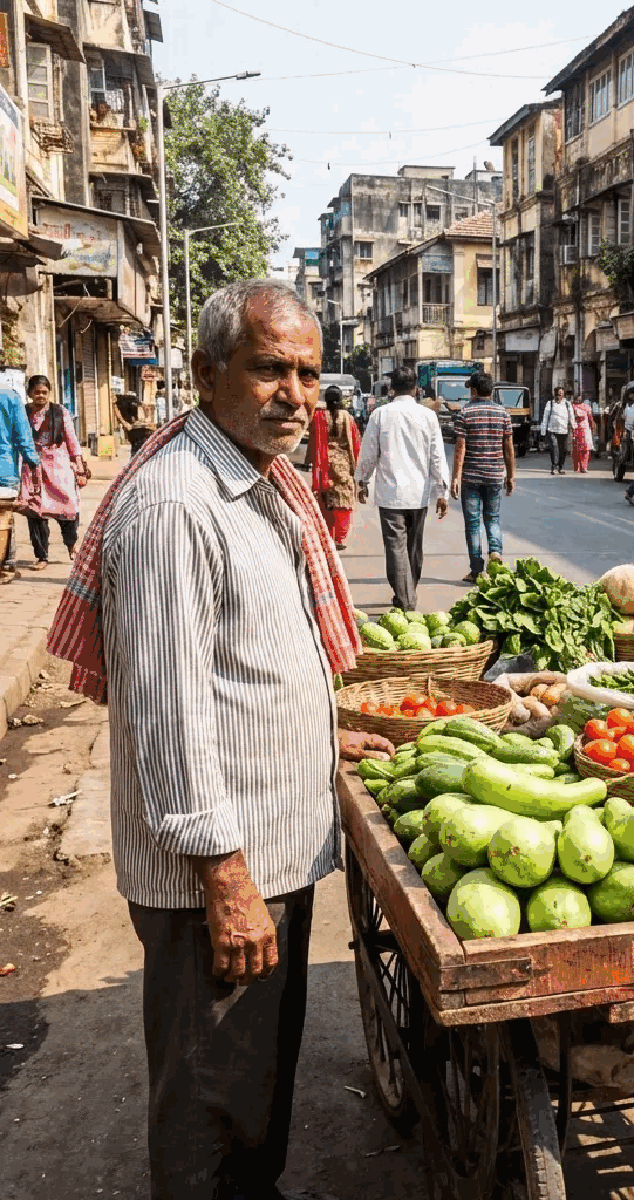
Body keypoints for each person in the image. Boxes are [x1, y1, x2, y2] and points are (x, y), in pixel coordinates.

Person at [45, 278, 391, 1200]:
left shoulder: (253, 482)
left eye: (309, 376)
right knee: (210, 1101)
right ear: (206, 374)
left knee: (254, 1086)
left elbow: (246, 668)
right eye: (269, 369)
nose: (296, 396)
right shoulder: (176, 506)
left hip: (266, 849)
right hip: (221, 876)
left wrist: (318, 738)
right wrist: (224, 877)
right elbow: (166, 711)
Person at [355, 365, 450, 610]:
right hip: (419, 495)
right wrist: (442, 493)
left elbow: (368, 454)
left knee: (396, 550)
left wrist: (362, 480)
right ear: (416, 389)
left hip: (391, 495)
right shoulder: (428, 416)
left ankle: (405, 600)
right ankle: (406, 596)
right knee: (413, 549)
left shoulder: (380, 415)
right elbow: (437, 457)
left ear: (390, 389)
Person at [18, 375, 89, 569]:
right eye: (37, 392)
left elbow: (72, 440)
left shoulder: (60, 412)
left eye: (44, 392)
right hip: (32, 467)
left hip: (59, 465)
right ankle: (41, 556)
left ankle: (72, 545)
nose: (40, 395)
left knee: (67, 508)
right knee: (35, 512)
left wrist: (80, 467)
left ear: (49, 392)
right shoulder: (23, 412)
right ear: (30, 393)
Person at [452, 371, 514, 583]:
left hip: (471, 476)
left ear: (474, 391)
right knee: (493, 518)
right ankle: (495, 551)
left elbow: (460, 447)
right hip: (495, 475)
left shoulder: (465, 413)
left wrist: (455, 477)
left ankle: (477, 569)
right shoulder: (503, 413)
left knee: (473, 523)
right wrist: (511, 476)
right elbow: (508, 447)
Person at [306, 384, 361, 550]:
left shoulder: (319, 416)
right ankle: (340, 537)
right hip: (344, 465)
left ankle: (328, 535)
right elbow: (356, 440)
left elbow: (312, 435)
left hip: (325, 464)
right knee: (343, 501)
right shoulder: (347, 417)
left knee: (326, 500)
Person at [0, 384, 40, 582]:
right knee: (3, 519)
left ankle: (8, 562)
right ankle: (5, 565)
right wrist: (33, 462)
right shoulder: (9, 396)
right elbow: (23, 435)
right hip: (4, 470)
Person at [541, 386, 571, 475]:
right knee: (554, 447)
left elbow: (571, 416)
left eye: (560, 394)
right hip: (552, 430)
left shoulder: (567, 404)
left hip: (564, 430)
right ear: (554, 395)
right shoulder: (550, 403)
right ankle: (554, 466)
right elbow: (545, 417)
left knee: (564, 449)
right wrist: (543, 431)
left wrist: (574, 427)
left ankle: (561, 467)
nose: (558, 396)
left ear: (563, 395)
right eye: (556, 394)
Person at [571, 393, 596, 472]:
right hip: (575, 429)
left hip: (585, 430)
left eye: (579, 398)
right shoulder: (571, 407)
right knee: (576, 449)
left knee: (585, 449)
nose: (578, 400)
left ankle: (584, 467)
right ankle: (577, 467)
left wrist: (592, 426)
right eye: (576, 398)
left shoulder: (586, 407)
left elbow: (590, 418)